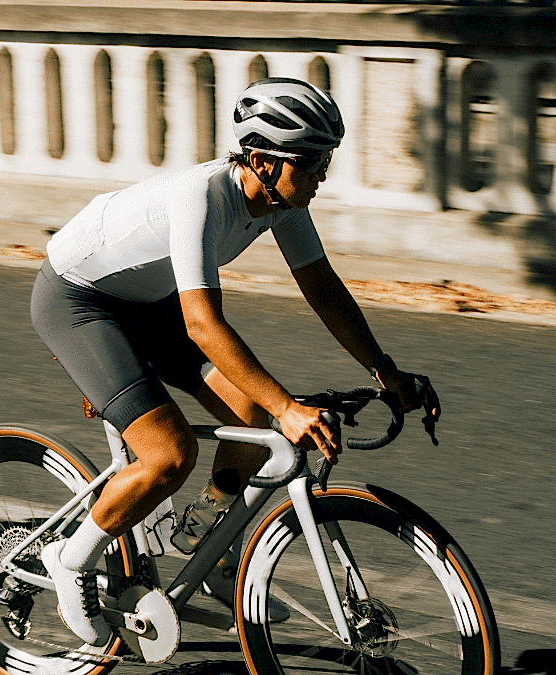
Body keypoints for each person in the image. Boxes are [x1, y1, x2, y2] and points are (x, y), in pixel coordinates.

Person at [30, 77, 440, 646]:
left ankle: (212, 555)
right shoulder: (200, 199)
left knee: (248, 411)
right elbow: (202, 324)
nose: (323, 173)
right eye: (313, 160)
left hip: (148, 304)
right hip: (79, 302)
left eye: (326, 160)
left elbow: (322, 288)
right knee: (171, 454)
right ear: (261, 161)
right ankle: (69, 562)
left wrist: (383, 369)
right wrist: (288, 408)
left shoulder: (281, 202)